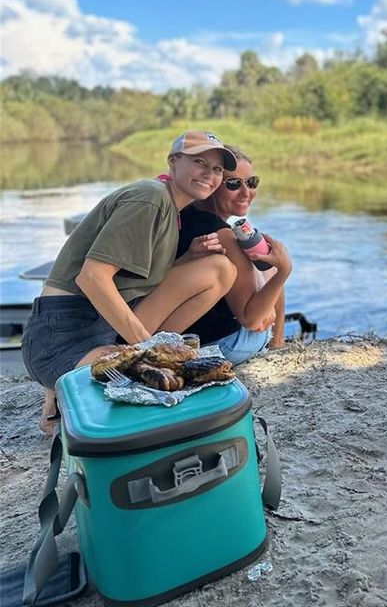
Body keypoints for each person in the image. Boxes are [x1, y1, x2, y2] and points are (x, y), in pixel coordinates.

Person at [21, 131, 239, 434]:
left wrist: (185, 259)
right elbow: (92, 277)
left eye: (217, 169)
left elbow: (136, 281)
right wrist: (150, 348)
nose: (209, 173)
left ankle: (62, 395)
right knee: (145, 382)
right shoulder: (150, 198)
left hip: (104, 324)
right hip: (63, 332)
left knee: (220, 269)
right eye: (199, 162)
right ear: (173, 162)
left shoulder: (170, 209)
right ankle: (60, 390)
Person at [177, 145, 293, 364]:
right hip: (219, 346)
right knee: (276, 267)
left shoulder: (186, 214)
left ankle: (278, 344)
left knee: (266, 265)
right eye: (233, 184)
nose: (246, 192)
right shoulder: (222, 236)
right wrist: (283, 271)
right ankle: (277, 344)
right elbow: (251, 320)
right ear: (212, 186)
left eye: (251, 182)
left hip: (186, 338)